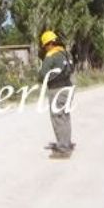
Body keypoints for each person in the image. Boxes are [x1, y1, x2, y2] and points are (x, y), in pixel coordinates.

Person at [38, 30, 75, 159]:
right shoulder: (66, 53)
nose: (45, 49)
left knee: (58, 118)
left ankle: (63, 149)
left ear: (49, 44)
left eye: (45, 46)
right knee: (65, 117)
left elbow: (43, 74)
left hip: (57, 89)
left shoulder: (51, 55)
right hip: (68, 87)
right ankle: (67, 143)